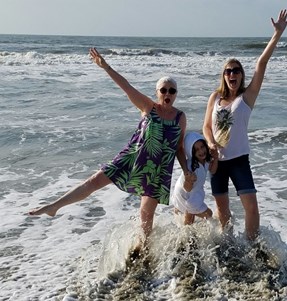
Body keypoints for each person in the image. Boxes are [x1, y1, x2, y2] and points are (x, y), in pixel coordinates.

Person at [29, 48, 188, 248]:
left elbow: (179, 147)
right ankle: (54, 206)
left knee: (146, 214)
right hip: (133, 158)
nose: (167, 93)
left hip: (157, 169)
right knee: (94, 181)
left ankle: (142, 250)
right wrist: (106, 67)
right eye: (163, 90)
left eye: (171, 90)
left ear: (176, 95)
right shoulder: (148, 107)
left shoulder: (180, 117)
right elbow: (126, 87)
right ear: (157, 93)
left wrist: (187, 170)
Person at [202, 9, 287, 241]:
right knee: (222, 210)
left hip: (239, 160)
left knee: (251, 207)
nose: (232, 74)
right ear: (224, 76)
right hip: (216, 162)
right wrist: (210, 143)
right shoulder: (215, 98)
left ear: (241, 76)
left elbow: (261, 64)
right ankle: (229, 243)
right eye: (228, 71)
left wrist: (277, 35)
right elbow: (206, 127)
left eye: (237, 71)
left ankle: (252, 245)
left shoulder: (247, 97)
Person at [171, 132, 218, 225]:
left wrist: (215, 158)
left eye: (202, 147)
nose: (201, 151)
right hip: (185, 194)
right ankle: (187, 236)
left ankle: (187, 235)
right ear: (190, 152)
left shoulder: (206, 160)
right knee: (208, 214)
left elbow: (212, 170)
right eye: (196, 150)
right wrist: (189, 180)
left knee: (189, 218)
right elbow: (187, 188)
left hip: (193, 194)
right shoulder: (192, 167)